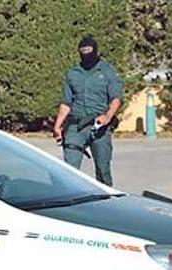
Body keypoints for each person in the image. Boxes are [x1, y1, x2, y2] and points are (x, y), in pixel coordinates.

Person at [53, 36, 124, 186]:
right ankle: (71, 197)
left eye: (89, 51)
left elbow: (116, 98)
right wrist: (58, 125)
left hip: (99, 125)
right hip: (76, 125)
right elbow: (66, 102)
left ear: (95, 51)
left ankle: (106, 200)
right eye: (82, 51)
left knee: (103, 168)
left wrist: (108, 116)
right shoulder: (73, 73)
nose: (86, 54)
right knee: (70, 168)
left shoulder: (107, 71)